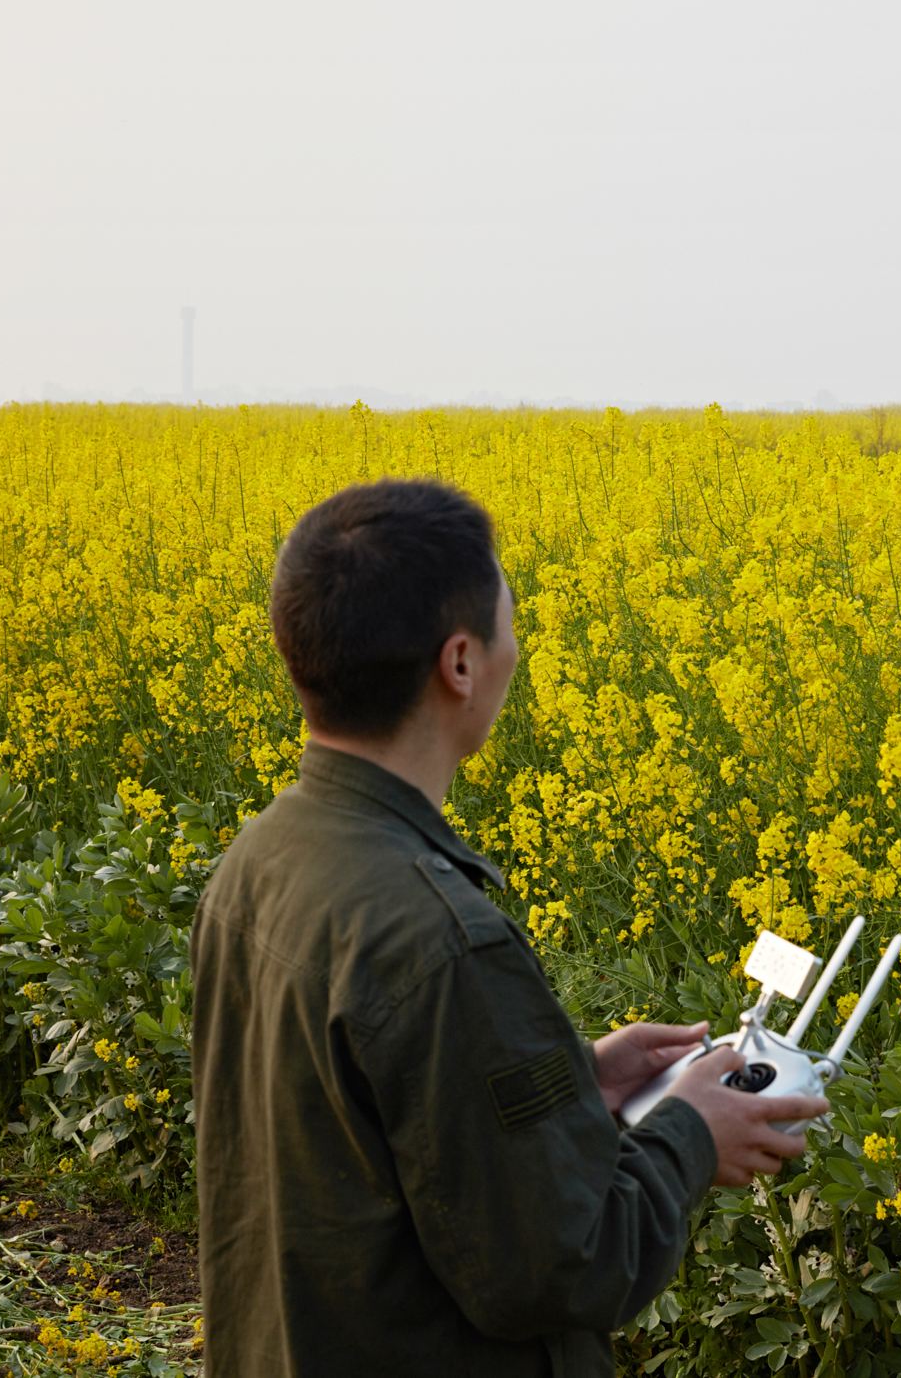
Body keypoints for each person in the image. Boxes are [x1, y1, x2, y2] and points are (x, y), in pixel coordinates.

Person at [190, 477, 826, 1377]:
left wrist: (576, 1085)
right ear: (459, 663)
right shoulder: (440, 939)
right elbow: (566, 1264)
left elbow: (380, 1128)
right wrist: (689, 1134)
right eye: (508, 624)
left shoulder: (256, 861)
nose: (516, 649)